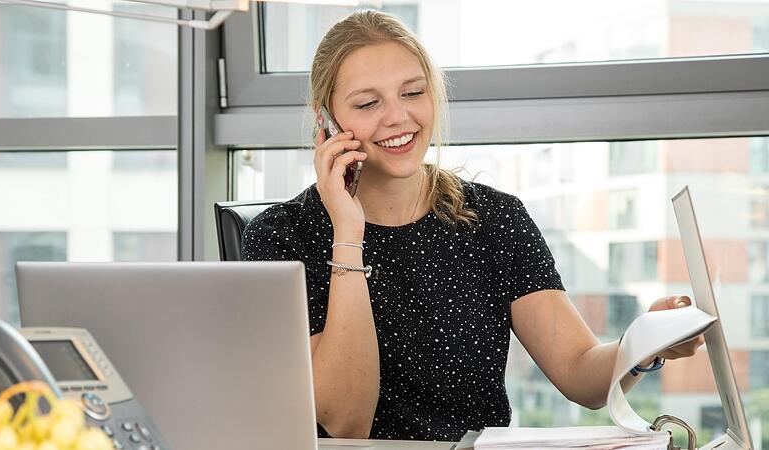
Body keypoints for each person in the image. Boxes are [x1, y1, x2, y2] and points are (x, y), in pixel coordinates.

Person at [242, 9, 703, 442]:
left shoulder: (495, 219)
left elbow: (582, 376)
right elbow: (347, 422)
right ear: (327, 121)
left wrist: (645, 344)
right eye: (367, 103)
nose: (398, 117)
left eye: (413, 92)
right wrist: (347, 233)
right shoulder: (282, 236)